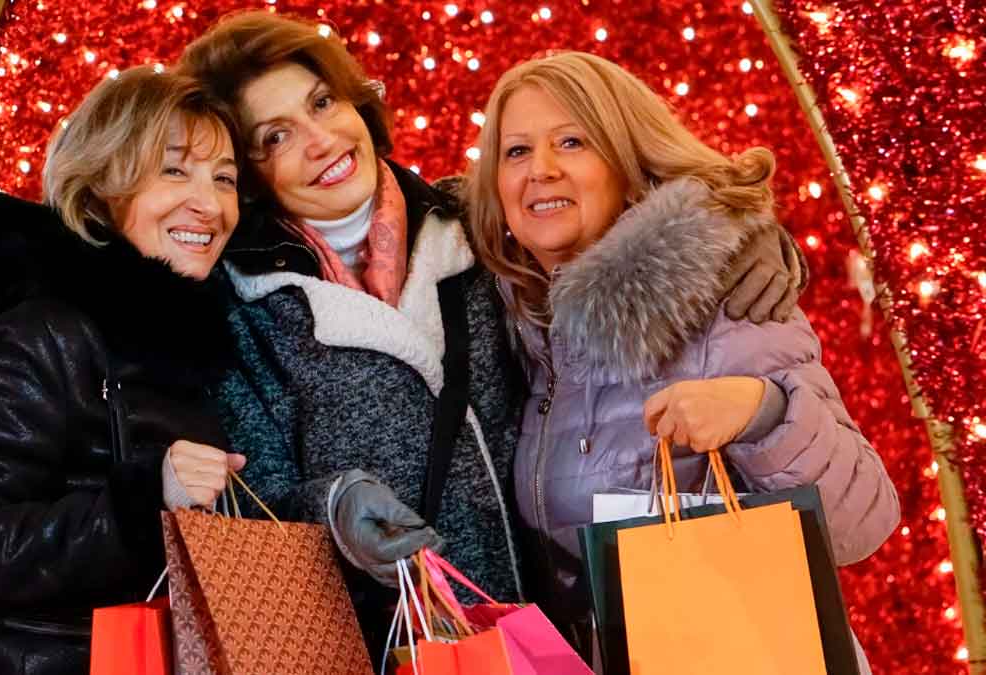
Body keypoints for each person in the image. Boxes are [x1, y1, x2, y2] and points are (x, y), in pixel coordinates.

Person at [178, 10, 807, 646]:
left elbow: (618, 219)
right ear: (249, 173)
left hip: (547, 637)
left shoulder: (480, 227)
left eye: (322, 102)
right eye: (276, 137)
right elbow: (252, 508)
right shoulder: (240, 308)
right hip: (379, 645)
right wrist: (336, 506)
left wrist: (736, 238)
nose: (320, 141)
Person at [464, 51, 900, 665]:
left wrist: (764, 414)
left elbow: (865, 521)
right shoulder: (513, 326)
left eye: (572, 141)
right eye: (516, 151)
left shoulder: (724, 299)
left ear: (626, 162)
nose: (541, 169)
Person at [0, 67, 247, 674]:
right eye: (173, 170)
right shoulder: (43, 334)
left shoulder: (197, 340)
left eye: (224, 179)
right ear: (100, 186)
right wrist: (142, 505)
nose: (209, 204)